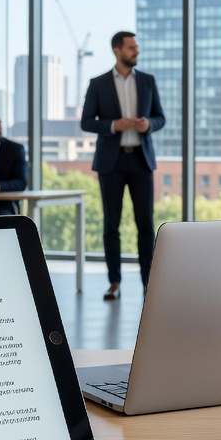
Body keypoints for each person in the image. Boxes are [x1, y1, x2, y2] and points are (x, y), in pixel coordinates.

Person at [80, 31, 166, 301]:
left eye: (136, 46)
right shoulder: (98, 83)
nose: (136, 51)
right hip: (111, 162)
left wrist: (148, 124)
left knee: (146, 225)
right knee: (111, 224)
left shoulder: (148, 82)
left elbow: (160, 117)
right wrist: (114, 125)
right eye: (131, 47)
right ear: (117, 50)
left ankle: (148, 283)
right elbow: (86, 122)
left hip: (141, 160)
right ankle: (114, 282)